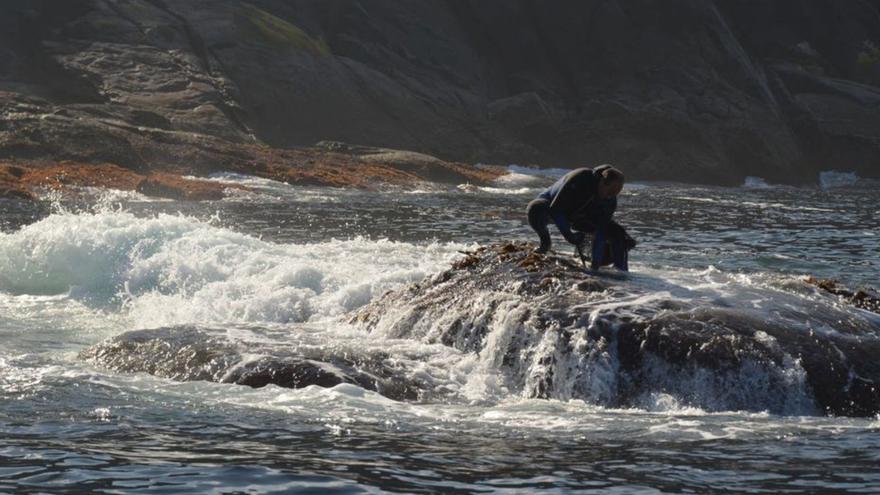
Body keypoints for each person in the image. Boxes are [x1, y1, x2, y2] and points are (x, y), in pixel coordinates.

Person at [526, 164, 633, 271]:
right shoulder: (581, 177)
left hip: (580, 218)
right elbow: (555, 209)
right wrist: (569, 235)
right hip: (552, 207)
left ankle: (621, 271)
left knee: (617, 233)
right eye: (609, 192)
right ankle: (545, 243)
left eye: (615, 194)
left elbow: (601, 232)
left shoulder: (610, 201)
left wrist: (595, 265)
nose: (610, 197)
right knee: (536, 208)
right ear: (601, 182)